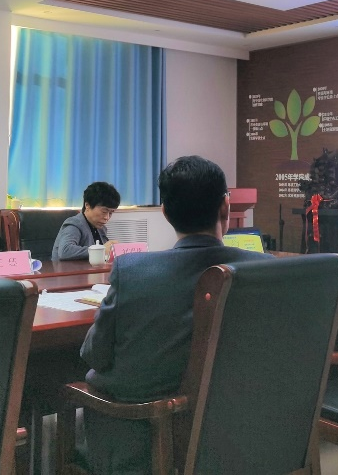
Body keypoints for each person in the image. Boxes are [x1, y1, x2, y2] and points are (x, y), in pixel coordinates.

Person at [79, 155, 273, 474]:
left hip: (148, 432)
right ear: (225, 207)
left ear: (165, 213)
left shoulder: (133, 272)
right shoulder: (264, 270)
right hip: (235, 429)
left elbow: (94, 355)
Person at [51, 181, 121, 261]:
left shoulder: (101, 229)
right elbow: (65, 251)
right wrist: (100, 250)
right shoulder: (74, 224)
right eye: (104, 212)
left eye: (111, 213)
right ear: (87, 205)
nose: (107, 217)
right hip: (67, 269)